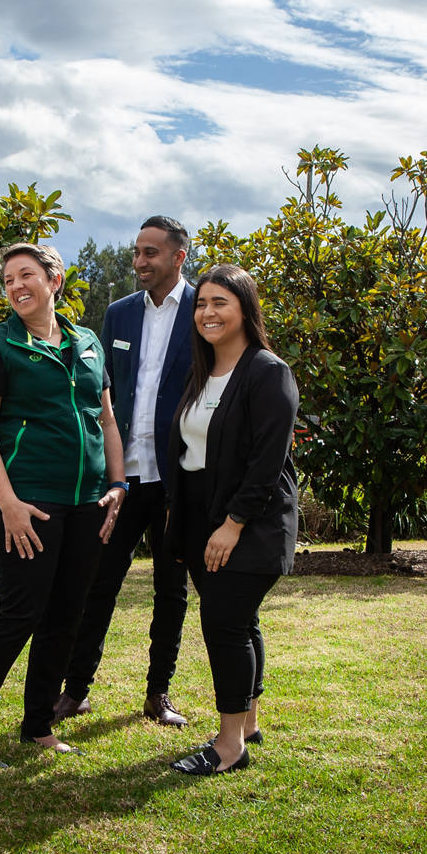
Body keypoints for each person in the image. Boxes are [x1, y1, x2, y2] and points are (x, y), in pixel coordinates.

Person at [0, 243, 128, 768]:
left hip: (88, 502)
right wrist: (8, 505)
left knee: (67, 613)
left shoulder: (88, 341)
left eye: (26, 275)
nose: (15, 286)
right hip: (29, 502)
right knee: (18, 613)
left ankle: (37, 723)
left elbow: (106, 420)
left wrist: (117, 484)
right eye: (7, 280)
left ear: (55, 280)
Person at [54, 215, 195, 728]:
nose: (139, 261)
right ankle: (74, 691)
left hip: (178, 478)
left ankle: (159, 694)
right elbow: (105, 392)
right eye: (137, 251)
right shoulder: (117, 314)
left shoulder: (202, 309)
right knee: (98, 583)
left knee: (170, 589)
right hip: (123, 477)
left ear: (178, 256)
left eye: (150, 253)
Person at [164, 264, 299, 775]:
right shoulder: (202, 373)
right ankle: (248, 723)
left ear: (245, 308)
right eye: (201, 304)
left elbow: (267, 462)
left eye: (220, 302)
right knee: (241, 622)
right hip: (201, 513)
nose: (207, 312)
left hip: (250, 519)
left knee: (224, 625)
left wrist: (233, 523)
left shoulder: (268, 372)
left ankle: (228, 746)